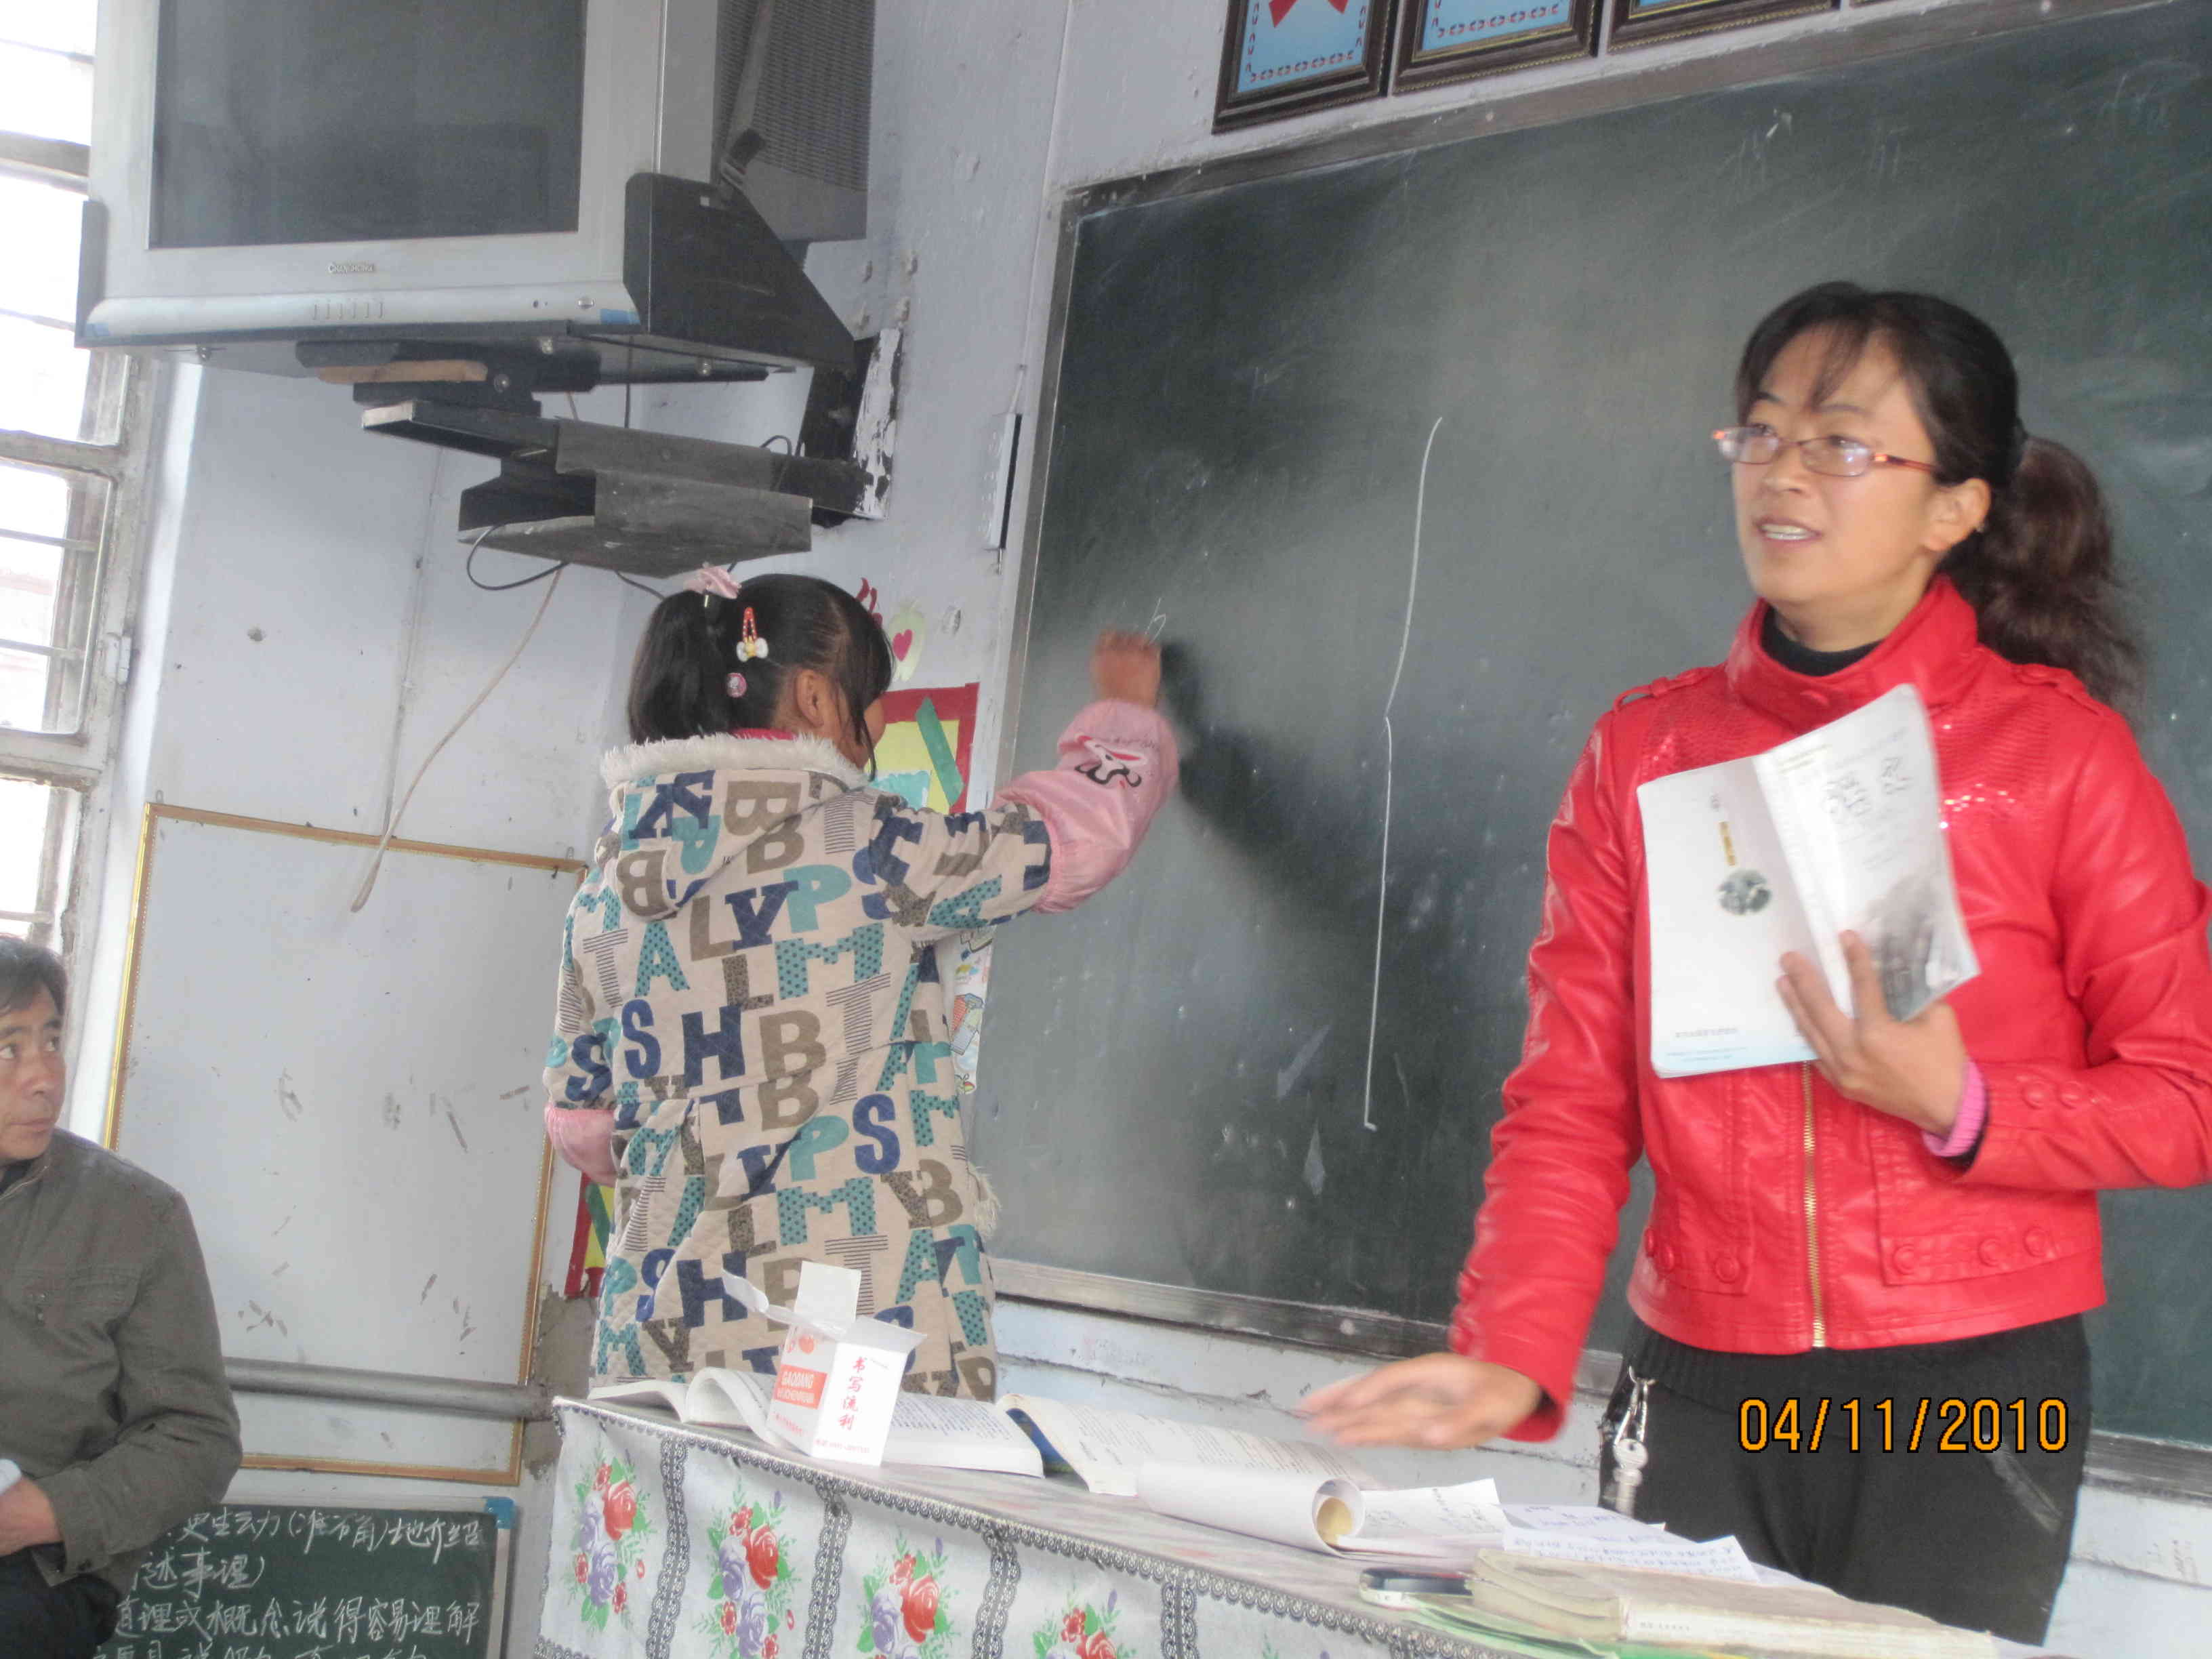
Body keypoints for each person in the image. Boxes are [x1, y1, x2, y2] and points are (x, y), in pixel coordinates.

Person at [1303, 282, 2212, 1643]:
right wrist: (1509, 1351)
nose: (1783, 473)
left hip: (1969, 1394)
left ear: (1954, 507)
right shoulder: (1646, 752)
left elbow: (2186, 1094)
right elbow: (1571, 1098)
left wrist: (1963, 1105)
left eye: (1840, 443)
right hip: (1705, 1380)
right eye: (1762, 432)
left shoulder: (2057, 757)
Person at [544, 569, 1176, 1399]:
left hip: (659, 1330)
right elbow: (1068, 842)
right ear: (814, 697)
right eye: (873, 697)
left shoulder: (608, 881)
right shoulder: (870, 848)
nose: (878, 721)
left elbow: (584, 1128)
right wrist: (1124, 719)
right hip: (842, 1337)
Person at [0, 939, 242, 1656]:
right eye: (9, 1049)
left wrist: (45, 1513)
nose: (44, 1078)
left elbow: (198, 1438)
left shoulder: (138, 1216)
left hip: (34, 1571)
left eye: (51, 1041)